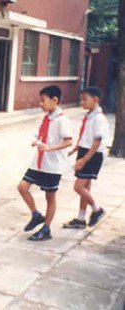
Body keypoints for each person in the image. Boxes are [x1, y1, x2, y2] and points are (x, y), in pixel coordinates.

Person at [17, 85, 73, 241]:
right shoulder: (47, 118)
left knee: (50, 197)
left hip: (52, 165)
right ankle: (36, 215)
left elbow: (68, 141)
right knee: (22, 187)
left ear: (54, 100)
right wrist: (36, 141)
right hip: (38, 163)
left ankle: (46, 228)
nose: (40, 104)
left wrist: (49, 148)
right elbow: (40, 134)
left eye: (43, 101)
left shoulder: (62, 120)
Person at [63, 86, 108, 229]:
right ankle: (81, 219)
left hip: (92, 155)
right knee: (85, 187)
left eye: (85, 99)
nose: (82, 102)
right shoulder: (90, 116)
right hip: (84, 151)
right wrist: (76, 149)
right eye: (81, 99)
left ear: (95, 100)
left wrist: (83, 160)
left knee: (78, 187)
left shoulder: (99, 118)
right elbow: (86, 136)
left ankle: (97, 209)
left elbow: (97, 141)